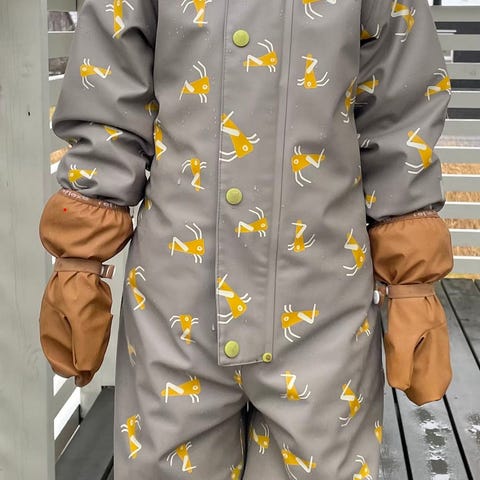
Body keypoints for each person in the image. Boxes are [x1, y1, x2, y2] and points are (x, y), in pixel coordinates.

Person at [38, 0, 454, 478]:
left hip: (323, 308)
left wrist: (412, 281)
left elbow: (399, 109)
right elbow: (108, 93)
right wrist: (79, 259)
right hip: (176, 311)